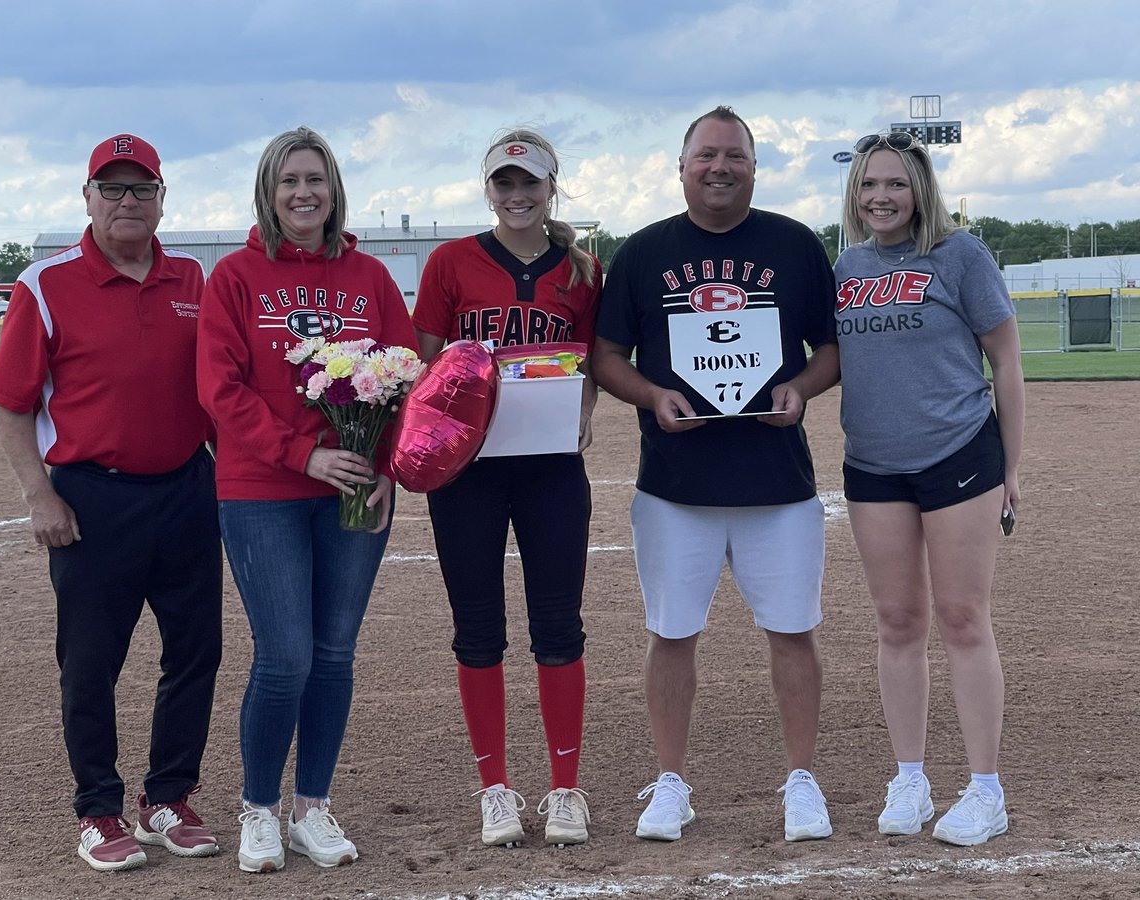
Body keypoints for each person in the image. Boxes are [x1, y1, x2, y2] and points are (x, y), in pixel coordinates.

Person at [591, 106, 840, 843]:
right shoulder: (644, 252)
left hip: (778, 482)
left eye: (735, 155)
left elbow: (829, 348)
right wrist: (652, 394)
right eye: (706, 155)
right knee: (672, 634)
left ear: (755, 167)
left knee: (793, 632)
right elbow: (606, 356)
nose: (720, 167)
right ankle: (671, 781)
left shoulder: (794, 245)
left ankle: (801, 779)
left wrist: (803, 386)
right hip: (675, 485)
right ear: (682, 166)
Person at [0, 134, 223, 872]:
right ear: (85, 197)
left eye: (141, 188)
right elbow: (10, 403)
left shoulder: (193, 279)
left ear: (161, 198)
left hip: (187, 488)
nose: (127, 202)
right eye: (112, 188)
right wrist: (39, 496)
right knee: (91, 663)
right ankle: (98, 809)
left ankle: (168, 798)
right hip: (92, 498)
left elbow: (221, 392)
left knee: (196, 653)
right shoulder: (46, 284)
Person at [196, 126, 418, 874]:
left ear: (334, 189)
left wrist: (385, 467)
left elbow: (404, 377)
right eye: (289, 179)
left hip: (353, 491)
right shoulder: (234, 276)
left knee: (333, 654)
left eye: (315, 179)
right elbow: (219, 391)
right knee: (285, 654)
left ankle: (312, 809)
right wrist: (303, 454)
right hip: (263, 490)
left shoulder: (370, 278)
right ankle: (259, 809)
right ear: (269, 189)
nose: (303, 193)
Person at [411, 129, 602, 848]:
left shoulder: (582, 270)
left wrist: (582, 412)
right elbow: (424, 369)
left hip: (550, 468)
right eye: (504, 183)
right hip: (469, 474)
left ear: (553, 187)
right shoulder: (451, 262)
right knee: (479, 630)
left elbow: (588, 362)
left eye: (530, 183)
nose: (517, 196)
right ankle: (495, 789)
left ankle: (564, 787)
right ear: (486, 188)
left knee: (559, 627)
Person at [833, 131, 1024, 846]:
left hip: (959, 456)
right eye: (869, 184)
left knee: (963, 617)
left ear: (921, 190)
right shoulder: (847, 263)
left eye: (896, 184)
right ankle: (909, 779)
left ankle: (985, 790)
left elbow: (1006, 361)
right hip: (874, 465)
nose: (881, 196)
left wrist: (1014, 465)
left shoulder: (961, 255)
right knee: (897, 623)